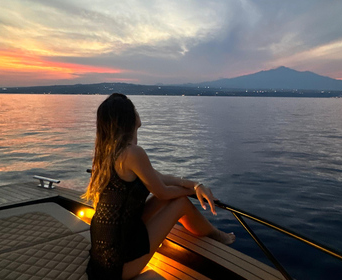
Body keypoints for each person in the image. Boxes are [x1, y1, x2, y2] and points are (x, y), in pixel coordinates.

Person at [83, 93, 235, 280]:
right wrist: (192, 190)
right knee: (180, 203)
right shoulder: (132, 153)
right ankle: (216, 235)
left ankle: (213, 233)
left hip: (105, 251)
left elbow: (160, 178)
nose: (138, 112)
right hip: (116, 265)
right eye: (134, 109)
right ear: (129, 118)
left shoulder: (110, 152)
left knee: (174, 198)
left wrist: (196, 184)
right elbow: (163, 192)